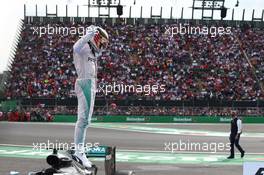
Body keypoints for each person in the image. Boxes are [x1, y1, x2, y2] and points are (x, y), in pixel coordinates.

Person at [73, 25, 109, 168]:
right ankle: (79, 152)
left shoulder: (93, 52)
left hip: (90, 83)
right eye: (102, 42)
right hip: (85, 83)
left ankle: (79, 151)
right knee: (83, 120)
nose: (103, 46)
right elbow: (75, 47)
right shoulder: (84, 47)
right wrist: (88, 36)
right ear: (96, 38)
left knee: (85, 120)